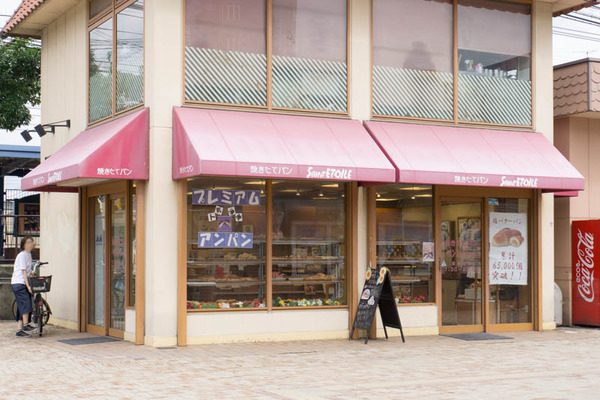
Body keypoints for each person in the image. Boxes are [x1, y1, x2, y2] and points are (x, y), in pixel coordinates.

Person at [11, 236, 35, 337]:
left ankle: (19, 330)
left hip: (21, 283)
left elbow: (27, 270)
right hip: (19, 283)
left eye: (31, 242)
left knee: (21, 306)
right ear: (24, 245)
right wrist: (28, 285)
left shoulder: (29, 255)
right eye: (28, 242)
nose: (30, 244)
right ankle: (26, 325)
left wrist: (32, 272)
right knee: (26, 302)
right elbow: (23, 271)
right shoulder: (22, 255)